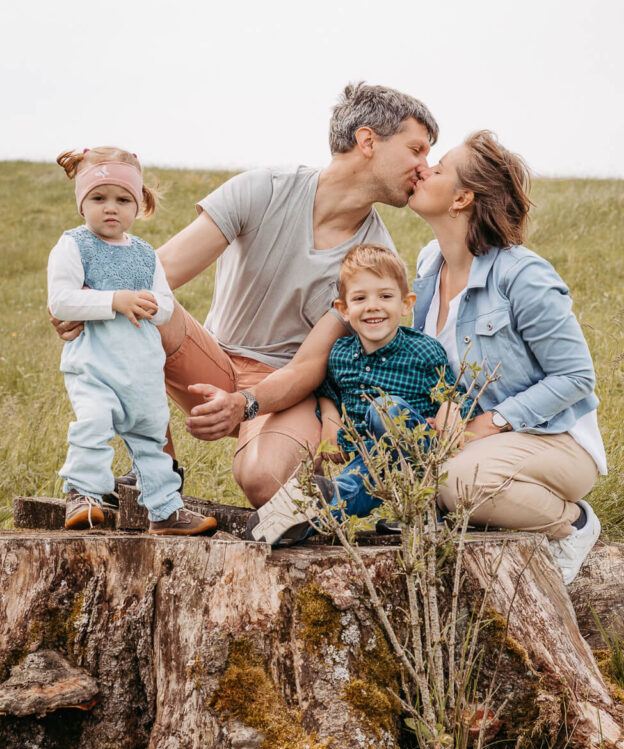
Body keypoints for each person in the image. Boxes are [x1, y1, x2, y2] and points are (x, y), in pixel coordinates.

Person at [51, 83, 439, 507]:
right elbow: (158, 272)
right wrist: (90, 304)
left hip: (284, 389)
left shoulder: (373, 259)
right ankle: (157, 470)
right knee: (143, 304)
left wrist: (245, 403)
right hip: (210, 361)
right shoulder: (263, 189)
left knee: (264, 481)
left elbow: (309, 365)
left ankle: (303, 475)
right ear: (367, 141)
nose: (424, 167)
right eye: (416, 150)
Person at [408, 131, 607, 583]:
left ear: (462, 198)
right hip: (476, 441)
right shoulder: (429, 265)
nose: (423, 169)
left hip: (555, 439)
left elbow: (576, 376)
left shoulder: (523, 274)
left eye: (437, 169)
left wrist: (492, 422)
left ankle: (573, 523)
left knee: (457, 482)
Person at [244, 244, 479, 545]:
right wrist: (330, 417)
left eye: (385, 296)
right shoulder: (341, 355)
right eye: (360, 298)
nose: (372, 306)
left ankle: (423, 505)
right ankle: (298, 522)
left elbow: (460, 395)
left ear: (406, 304)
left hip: (422, 455)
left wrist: (449, 406)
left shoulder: (423, 351)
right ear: (343, 309)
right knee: (352, 488)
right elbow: (326, 388)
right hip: (372, 459)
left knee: (385, 410)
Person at [48, 147, 217, 536]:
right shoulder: (74, 245)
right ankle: (83, 494)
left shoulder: (144, 254)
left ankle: (166, 509)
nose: (111, 208)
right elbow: (60, 301)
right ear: (81, 203)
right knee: (93, 425)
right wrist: (115, 300)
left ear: (138, 204)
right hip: (94, 366)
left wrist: (152, 304)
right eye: (98, 198)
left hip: (141, 370)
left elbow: (166, 305)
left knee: (151, 438)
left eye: (123, 200)